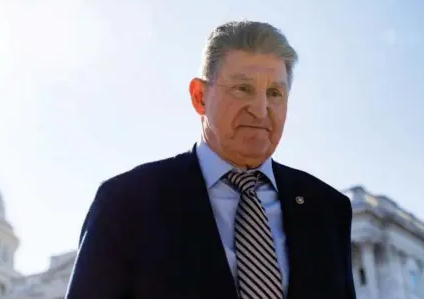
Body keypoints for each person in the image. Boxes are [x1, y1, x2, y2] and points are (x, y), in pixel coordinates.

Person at [65, 20, 356, 299]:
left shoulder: (329, 209)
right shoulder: (126, 202)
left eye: (275, 93)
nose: (260, 109)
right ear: (199, 96)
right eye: (243, 89)